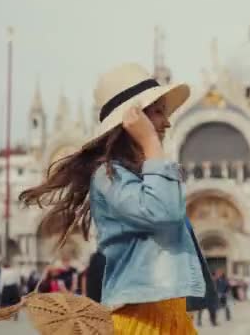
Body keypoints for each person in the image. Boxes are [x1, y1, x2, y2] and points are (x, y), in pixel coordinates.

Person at [18, 63, 216, 334]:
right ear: (134, 119)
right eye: (158, 112)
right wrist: (151, 143)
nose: (167, 121)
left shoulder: (143, 174)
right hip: (141, 318)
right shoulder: (108, 176)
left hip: (169, 314)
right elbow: (164, 213)